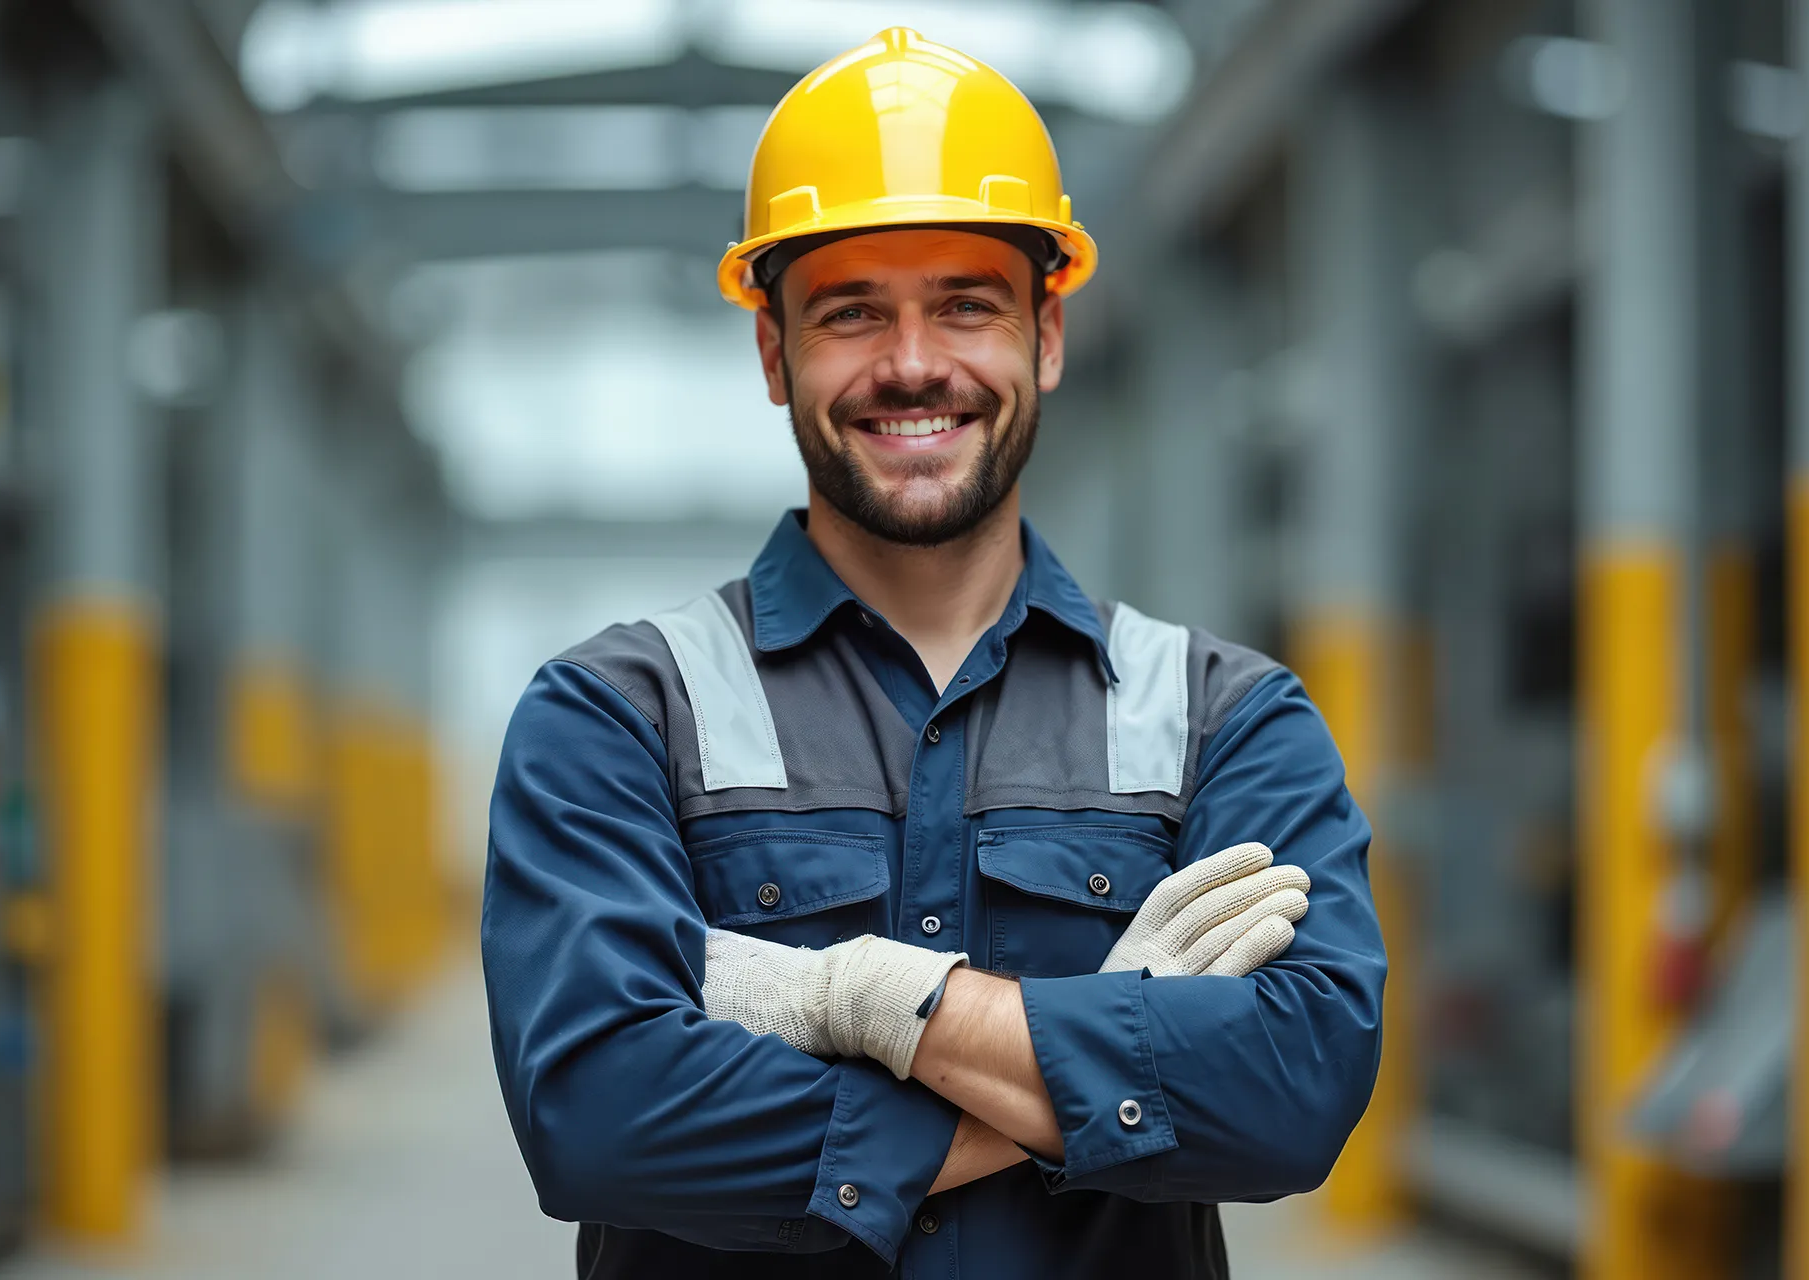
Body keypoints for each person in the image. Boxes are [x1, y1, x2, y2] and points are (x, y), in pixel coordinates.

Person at [483, 27, 1386, 1280]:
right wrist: (1108, 1057)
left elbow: (1298, 1087)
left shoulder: (1227, 718)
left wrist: (851, 996)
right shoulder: (615, 715)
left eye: (967, 304)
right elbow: (600, 1117)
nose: (913, 364)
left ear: (1047, 337)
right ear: (772, 350)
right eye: (852, 313)